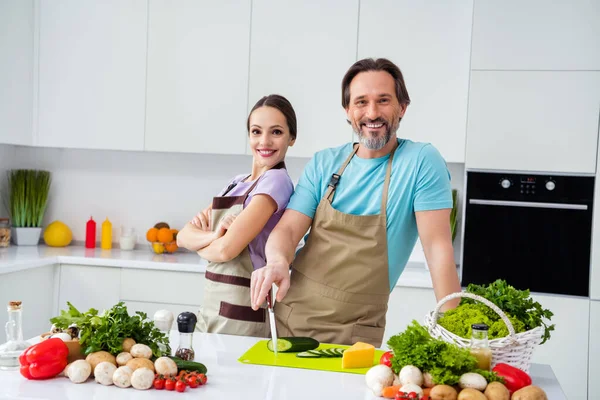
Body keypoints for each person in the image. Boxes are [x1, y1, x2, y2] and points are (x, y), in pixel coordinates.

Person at [249, 58, 461, 347]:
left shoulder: (421, 162)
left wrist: (455, 335)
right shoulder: (325, 162)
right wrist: (276, 261)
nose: (372, 113)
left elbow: (438, 251)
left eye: (383, 100)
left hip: (357, 332)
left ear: (402, 107)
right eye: (361, 102)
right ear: (348, 111)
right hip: (292, 316)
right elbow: (287, 230)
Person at [177, 94, 297, 337]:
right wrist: (217, 235)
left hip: (240, 311)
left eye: (276, 132)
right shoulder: (236, 183)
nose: (264, 141)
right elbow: (182, 236)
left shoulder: (276, 181)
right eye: (256, 131)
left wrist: (206, 244)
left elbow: (225, 251)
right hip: (210, 304)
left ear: (291, 138)